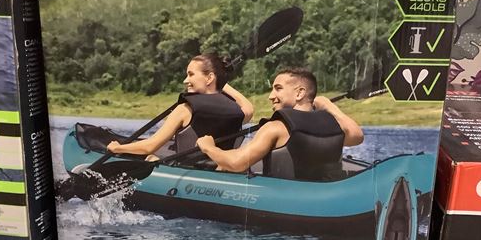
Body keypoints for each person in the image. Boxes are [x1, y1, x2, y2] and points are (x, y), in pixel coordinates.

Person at [197, 68, 363, 181]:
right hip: (323, 197)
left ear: (299, 93)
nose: (271, 96)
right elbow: (357, 136)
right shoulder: (332, 125)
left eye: (278, 88)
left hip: (283, 203)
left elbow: (237, 163)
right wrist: (328, 105)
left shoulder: (276, 127)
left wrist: (209, 147)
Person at [106, 54, 253, 159]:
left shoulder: (185, 109)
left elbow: (150, 146)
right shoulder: (237, 112)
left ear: (209, 77)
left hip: (185, 172)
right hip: (217, 171)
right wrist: (220, 81)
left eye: (191, 74)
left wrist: (118, 148)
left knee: (150, 157)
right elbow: (248, 107)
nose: (185, 80)